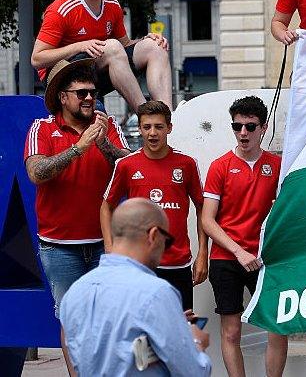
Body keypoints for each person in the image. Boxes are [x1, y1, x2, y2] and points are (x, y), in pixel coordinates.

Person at [24, 58, 130, 377]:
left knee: (107, 318)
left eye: (93, 92)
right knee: (72, 318)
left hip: (104, 245)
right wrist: (78, 149)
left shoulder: (106, 125)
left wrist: (104, 144)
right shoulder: (42, 128)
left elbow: (131, 168)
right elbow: (36, 173)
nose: (89, 98)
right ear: (62, 97)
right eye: (81, 92)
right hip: (59, 248)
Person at [61, 198, 212, 376]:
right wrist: (194, 341)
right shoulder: (156, 293)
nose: (165, 250)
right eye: (167, 242)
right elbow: (194, 371)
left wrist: (169, 323)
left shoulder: (75, 292)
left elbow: (89, 358)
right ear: (154, 236)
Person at [200, 96, 287, 377]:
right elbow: (207, 220)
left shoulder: (277, 165)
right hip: (227, 257)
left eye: (250, 126)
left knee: (277, 325)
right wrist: (238, 251)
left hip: (265, 258)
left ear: (263, 127)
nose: (243, 133)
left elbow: (287, 213)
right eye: (237, 127)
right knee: (231, 331)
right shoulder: (220, 166)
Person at [30, 0, 174, 109]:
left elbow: (125, 46)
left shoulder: (113, 5)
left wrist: (145, 39)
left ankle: (167, 116)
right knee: (111, 47)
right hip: (61, 79)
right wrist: (79, 46)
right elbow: (37, 59)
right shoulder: (62, 9)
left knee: (155, 47)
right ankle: (145, 114)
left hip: (95, 69)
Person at [101, 100, 209, 310]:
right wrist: (110, 249)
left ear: (169, 128)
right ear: (140, 128)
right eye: (147, 127)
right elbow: (106, 206)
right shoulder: (126, 165)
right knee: (142, 333)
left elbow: (202, 207)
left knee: (183, 330)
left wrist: (203, 253)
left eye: (159, 127)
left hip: (179, 263)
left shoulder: (187, 164)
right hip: (140, 264)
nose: (152, 133)